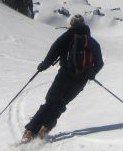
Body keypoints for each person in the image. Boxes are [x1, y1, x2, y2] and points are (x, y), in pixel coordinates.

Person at [22, 14, 104, 142]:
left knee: (50, 102)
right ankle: (46, 127)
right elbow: (99, 63)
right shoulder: (92, 42)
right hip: (80, 81)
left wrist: (43, 66)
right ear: (84, 25)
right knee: (61, 103)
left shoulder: (66, 37)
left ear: (71, 25)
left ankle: (30, 131)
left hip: (64, 76)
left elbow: (53, 53)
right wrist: (91, 74)